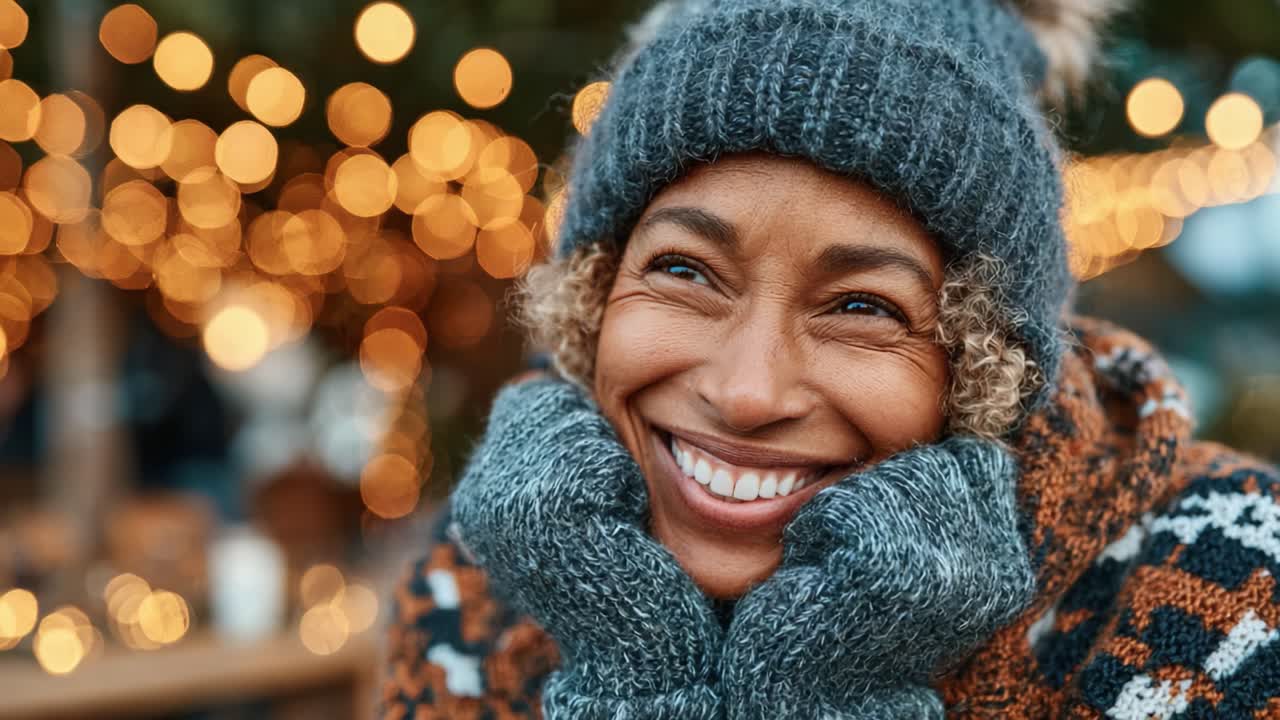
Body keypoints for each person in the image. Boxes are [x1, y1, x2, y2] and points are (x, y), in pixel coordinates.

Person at [379, 0, 1280, 717]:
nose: (746, 392)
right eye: (686, 271)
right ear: (594, 299)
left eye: (862, 306)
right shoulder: (483, 573)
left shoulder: (1233, 587)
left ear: (980, 369)